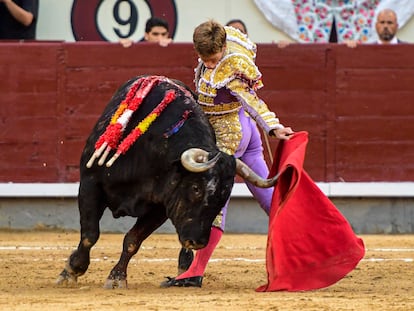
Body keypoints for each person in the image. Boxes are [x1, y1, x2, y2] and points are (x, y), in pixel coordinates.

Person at [161, 20, 294, 288]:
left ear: (222, 47)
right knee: (271, 200)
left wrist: (274, 127)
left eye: (213, 58)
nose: (209, 64)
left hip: (230, 135)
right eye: (204, 59)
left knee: (215, 204)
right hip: (246, 131)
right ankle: (301, 252)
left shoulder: (233, 65)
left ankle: (195, 271)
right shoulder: (223, 43)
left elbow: (252, 100)